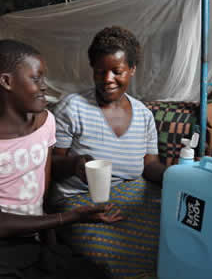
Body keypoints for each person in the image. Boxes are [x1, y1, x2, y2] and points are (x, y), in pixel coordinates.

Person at [0, 39, 122, 279]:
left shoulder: (45, 121)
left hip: (31, 242)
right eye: (36, 78)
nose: (44, 87)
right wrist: (69, 217)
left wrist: (74, 164)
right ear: (6, 81)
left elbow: (40, 169)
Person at [50, 26, 167, 278]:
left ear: (132, 70)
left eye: (117, 71)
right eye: (100, 71)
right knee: (110, 251)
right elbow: (49, 164)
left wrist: (176, 175)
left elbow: (150, 165)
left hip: (133, 193)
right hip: (80, 199)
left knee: (176, 233)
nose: (107, 79)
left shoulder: (144, 115)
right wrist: (75, 164)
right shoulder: (73, 108)